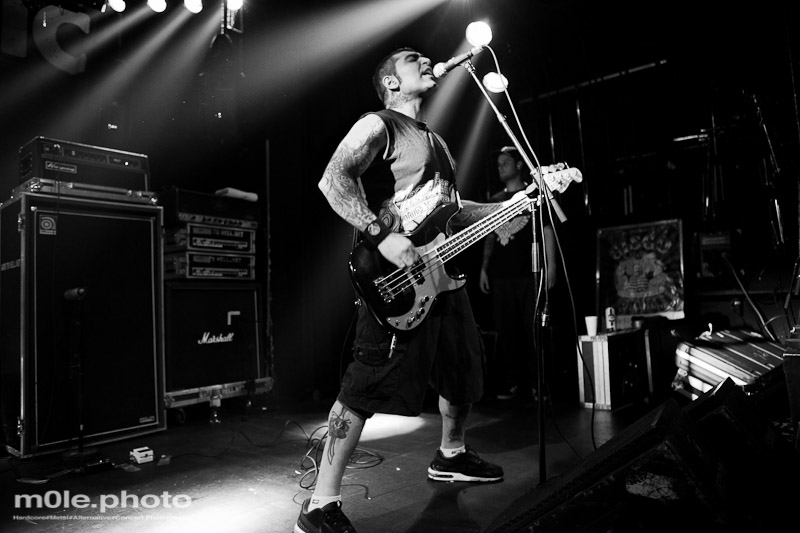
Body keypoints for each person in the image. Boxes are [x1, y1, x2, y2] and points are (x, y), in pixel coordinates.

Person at [295, 47, 507, 533]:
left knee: (464, 369)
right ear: (391, 82)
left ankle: (451, 454)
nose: (427, 60)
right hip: (396, 278)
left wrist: (509, 205)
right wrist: (380, 235)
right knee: (365, 382)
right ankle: (319, 504)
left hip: (442, 273)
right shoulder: (379, 124)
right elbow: (333, 179)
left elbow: (451, 210)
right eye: (414, 58)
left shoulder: (437, 140)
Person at [479, 146, 558, 401]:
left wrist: (552, 265)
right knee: (507, 330)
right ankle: (513, 382)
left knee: (532, 329)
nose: (500, 167)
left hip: (528, 273)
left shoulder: (533, 195)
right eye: (498, 164)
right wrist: (484, 268)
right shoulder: (495, 199)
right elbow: (489, 235)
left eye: (505, 162)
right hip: (501, 275)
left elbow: (547, 230)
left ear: (518, 165)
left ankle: (538, 384)